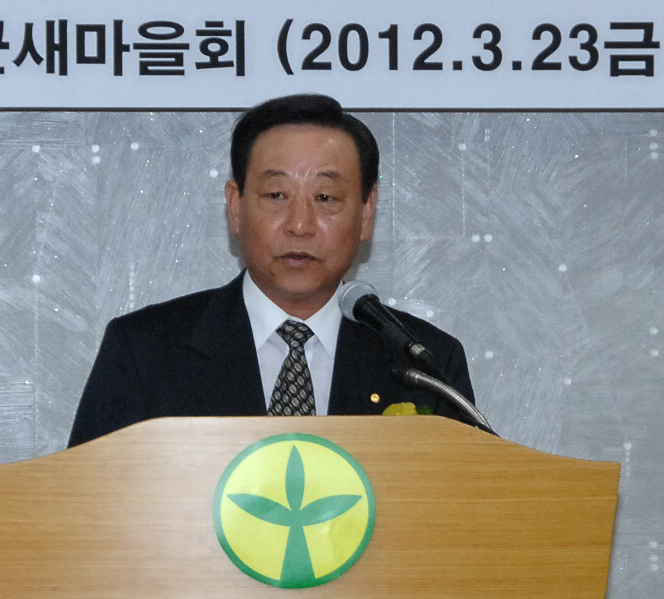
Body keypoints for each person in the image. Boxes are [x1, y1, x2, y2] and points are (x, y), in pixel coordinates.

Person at [67, 94, 477, 447]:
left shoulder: (425, 363)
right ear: (236, 206)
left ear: (367, 213)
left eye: (326, 197)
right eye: (277, 194)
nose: (300, 224)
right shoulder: (145, 352)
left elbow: (469, 506)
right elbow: (86, 504)